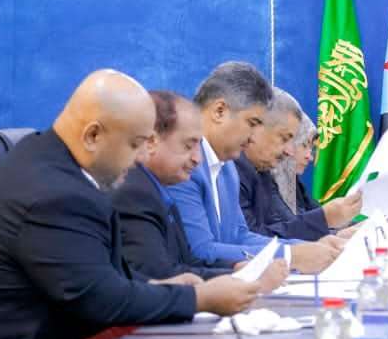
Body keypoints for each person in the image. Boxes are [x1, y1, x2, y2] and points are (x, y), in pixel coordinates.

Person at [0, 71, 260, 339]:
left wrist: (158, 286)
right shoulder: (54, 193)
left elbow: (97, 278)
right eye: (135, 144)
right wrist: (197, 299)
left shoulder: (49, 163)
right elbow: (101, 300)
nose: (140, 158)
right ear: (93, 135)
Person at [167, 62, 340, 273]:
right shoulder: (183, 164)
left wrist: (304, 248)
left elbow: (240, 236)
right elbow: (201, 251)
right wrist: (289, 255)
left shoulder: (228, 168)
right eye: (251, 123)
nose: (252, 137)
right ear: (219, 111)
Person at [114, 90, 289, 288]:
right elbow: (160, 277)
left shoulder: (159, 188)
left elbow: (187, 261)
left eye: (199, 146)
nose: (198, 159)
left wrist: (236, 270)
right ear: (152, 142)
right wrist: (238, 279)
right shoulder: (136, 193)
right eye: (188, 146)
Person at [237, 89, 361, 241]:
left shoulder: (262, 172)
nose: (289, 151)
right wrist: (325, 221)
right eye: (285, 139)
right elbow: (250, 240)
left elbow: (283, 228)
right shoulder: (232, 171)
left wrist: (344, 228)